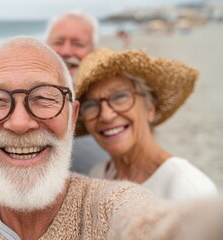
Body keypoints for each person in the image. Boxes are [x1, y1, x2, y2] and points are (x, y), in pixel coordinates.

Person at [0, 36, 223, 239]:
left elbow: (149, 224)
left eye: (44, 98)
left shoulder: (111, 203)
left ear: (72, 118)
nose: (19, 123)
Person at [75, 48, 217, 201]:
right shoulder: (98, 176)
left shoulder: (191, 190)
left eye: (120, 96)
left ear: (151, 108)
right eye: (90, 105)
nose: (106, 115)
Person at [45, 10, 108, 174]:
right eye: (58, 42)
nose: (66, 51)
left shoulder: (110, 101)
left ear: (94, 53)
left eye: (78, 44)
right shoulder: (23, 97)